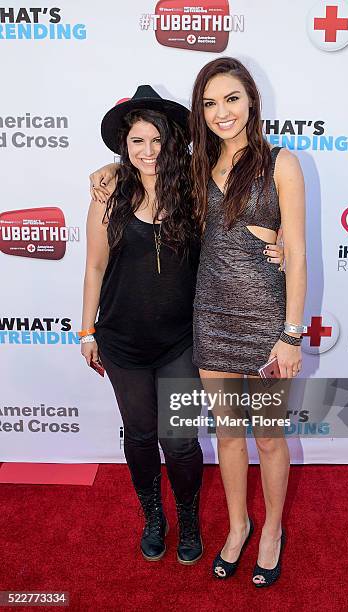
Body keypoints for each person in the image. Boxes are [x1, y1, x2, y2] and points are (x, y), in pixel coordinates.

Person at [189, 57, 306, 587]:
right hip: (210, 318)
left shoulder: (282, 163)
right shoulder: (194, 166)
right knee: (228, 435)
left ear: (252, 101)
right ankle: (238, 525)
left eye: (231, 98)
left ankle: (273, 529)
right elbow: (142, 175)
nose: (222, 112)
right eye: (210, 103)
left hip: (265, 324)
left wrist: (290, 334)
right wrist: (104, 176)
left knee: (269, 439)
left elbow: (299, 254)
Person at [80, 86, 205, 565]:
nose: (147, 151)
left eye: (156, 140)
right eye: (136, 142)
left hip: (179, 341)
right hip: (122, 340)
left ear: (171, 141)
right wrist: (87, 330)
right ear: (124, 147)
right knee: (138, 436)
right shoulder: (108, 193)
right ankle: (154, 517)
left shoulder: (193, 193)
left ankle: (189, 518)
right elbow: (94, 267)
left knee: (179, 439)